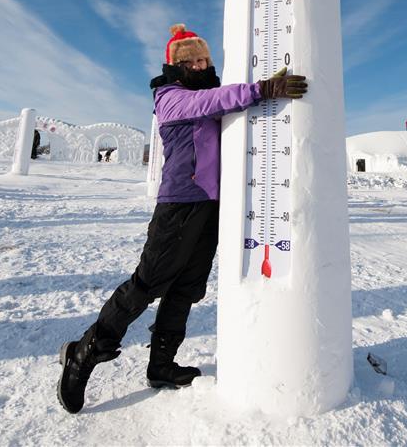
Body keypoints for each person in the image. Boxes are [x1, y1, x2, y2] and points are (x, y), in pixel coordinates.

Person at [57, 23, 307, 414]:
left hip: (210, 205)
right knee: (148, 283)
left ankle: (161, 366)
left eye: (204, 58)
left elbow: (218, 108)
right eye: (190, 60)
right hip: (178, 203)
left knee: (187, 287)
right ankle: (83, 352)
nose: (199, 64)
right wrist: (261, 90)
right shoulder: (169, 97)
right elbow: (204, 105)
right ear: (175, 64)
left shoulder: (211, 94)